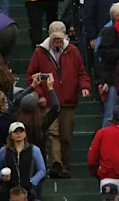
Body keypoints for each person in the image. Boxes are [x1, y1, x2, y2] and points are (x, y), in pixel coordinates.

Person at [25, 20, 90, 179]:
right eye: (55, 39)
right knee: (52, 133)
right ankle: (57, 164)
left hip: (68, 101)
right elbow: (31, 76)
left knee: (66, 136)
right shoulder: (39, 52)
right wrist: (40, 94)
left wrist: (84, 86)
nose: (58, 42)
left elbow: (81, 72)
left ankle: (66, 166)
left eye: (60, 39)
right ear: (49, 36)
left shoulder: (73, 51)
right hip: (48, 101)